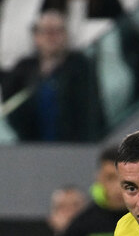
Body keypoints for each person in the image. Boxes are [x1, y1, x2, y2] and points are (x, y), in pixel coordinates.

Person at [1, 9, 103, 142]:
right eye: (46, 32)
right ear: (36, 37)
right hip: (33, 145)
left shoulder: (80, 65)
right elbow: (11, 106)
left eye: (57, 31)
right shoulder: (24, 68)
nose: (51, 37)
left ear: (65, 35)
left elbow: (89, 110)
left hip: (75, 144)